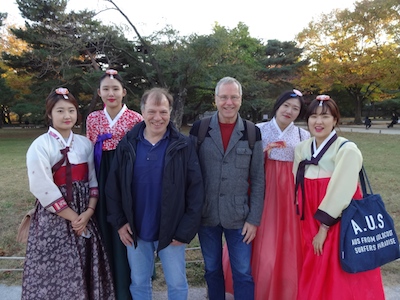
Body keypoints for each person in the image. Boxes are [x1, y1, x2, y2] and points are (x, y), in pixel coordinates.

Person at [105, 87, 204, 300]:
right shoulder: (127, 144)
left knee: (177, 284)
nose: (157, 118)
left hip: (172, 230)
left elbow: (196, 191)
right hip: (136, 230)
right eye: (152, 111)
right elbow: (112, 187)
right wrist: (120, 223)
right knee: (139, 283)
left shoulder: (183, 145)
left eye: (163, 112)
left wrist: (185, 231)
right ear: (142, 112)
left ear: (170, 112)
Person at [22, 88, 115, 299]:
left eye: (71, 111)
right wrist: (74, 218)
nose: (67, 116)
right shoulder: (40, 146)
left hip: (84, 214)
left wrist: (89, 212)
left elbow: (93, 180)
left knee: (85, 266)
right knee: (54, 273)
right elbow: (41, 187)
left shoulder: (84, 144)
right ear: (49, 114)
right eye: (60, 111)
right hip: (54, 219)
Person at [293, 95, 385, 300]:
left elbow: (341, 191)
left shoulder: (347, 150)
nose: (318, 122)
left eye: (325, 116)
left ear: (335, 120)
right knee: (312, 266)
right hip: (308, 219)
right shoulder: (302, 148)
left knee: (338, 269)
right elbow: (296, 185)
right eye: (314, 116)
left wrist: (324, 227)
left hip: (337, 221)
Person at [222, 89, 310, 299]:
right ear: (277, 105)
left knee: (286, 244)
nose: (289, 111)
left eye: (295, 108)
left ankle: (283, 288)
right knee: (254, 241)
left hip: (288, 197)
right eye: (286, 105)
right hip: (259, 191)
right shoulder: (257, 130)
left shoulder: (303, 135)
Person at [189, 77, 265, 300]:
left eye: (234, 97)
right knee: (212, 270)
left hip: (240, 218)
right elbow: (190, 175)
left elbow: (258, 179)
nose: (228, 102)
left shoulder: (252, 132)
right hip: (206, 215)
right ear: (215, 99)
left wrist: (254, 219)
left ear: (241, 99)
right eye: (223, 97)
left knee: (242, 272)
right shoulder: (199, 130)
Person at [86, 69, 143, 300]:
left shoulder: (136, 118)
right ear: (99, 93)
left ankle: (128, 289)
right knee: (105, 229)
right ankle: (106, 289)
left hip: (127, 178)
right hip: (101, 174)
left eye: (115, 89)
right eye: (106, 89)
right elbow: (90, 152)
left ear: (124, 93)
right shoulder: (93, 119)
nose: (111, 93)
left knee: (127, 228)